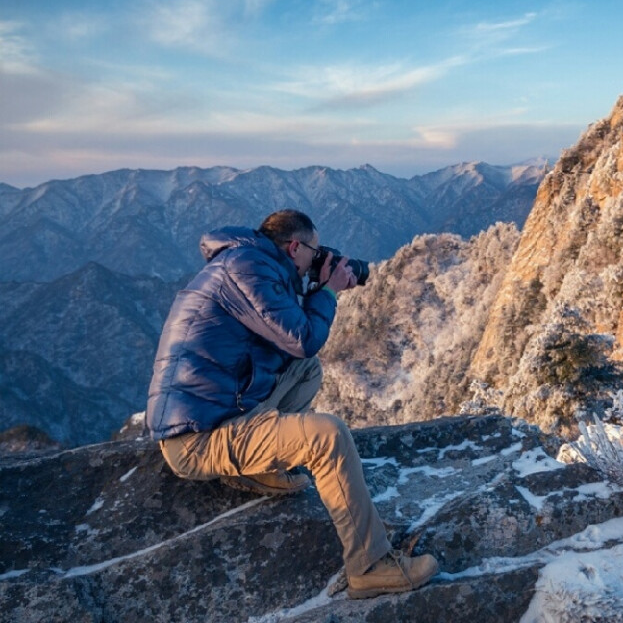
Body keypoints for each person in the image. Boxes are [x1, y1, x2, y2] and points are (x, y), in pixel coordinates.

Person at [146, 209, 438, 599]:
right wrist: (328, 292)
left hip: (219, 410)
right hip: (198, 436)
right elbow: (301, 336)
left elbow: (292, 349)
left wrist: (315, 289)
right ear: (295, 246)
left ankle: (253, 468)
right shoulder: (247, 267)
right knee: (328, 436)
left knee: (306, 370)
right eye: (313, 254)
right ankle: (370, 566)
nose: (313, 264)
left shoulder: (248, 261)